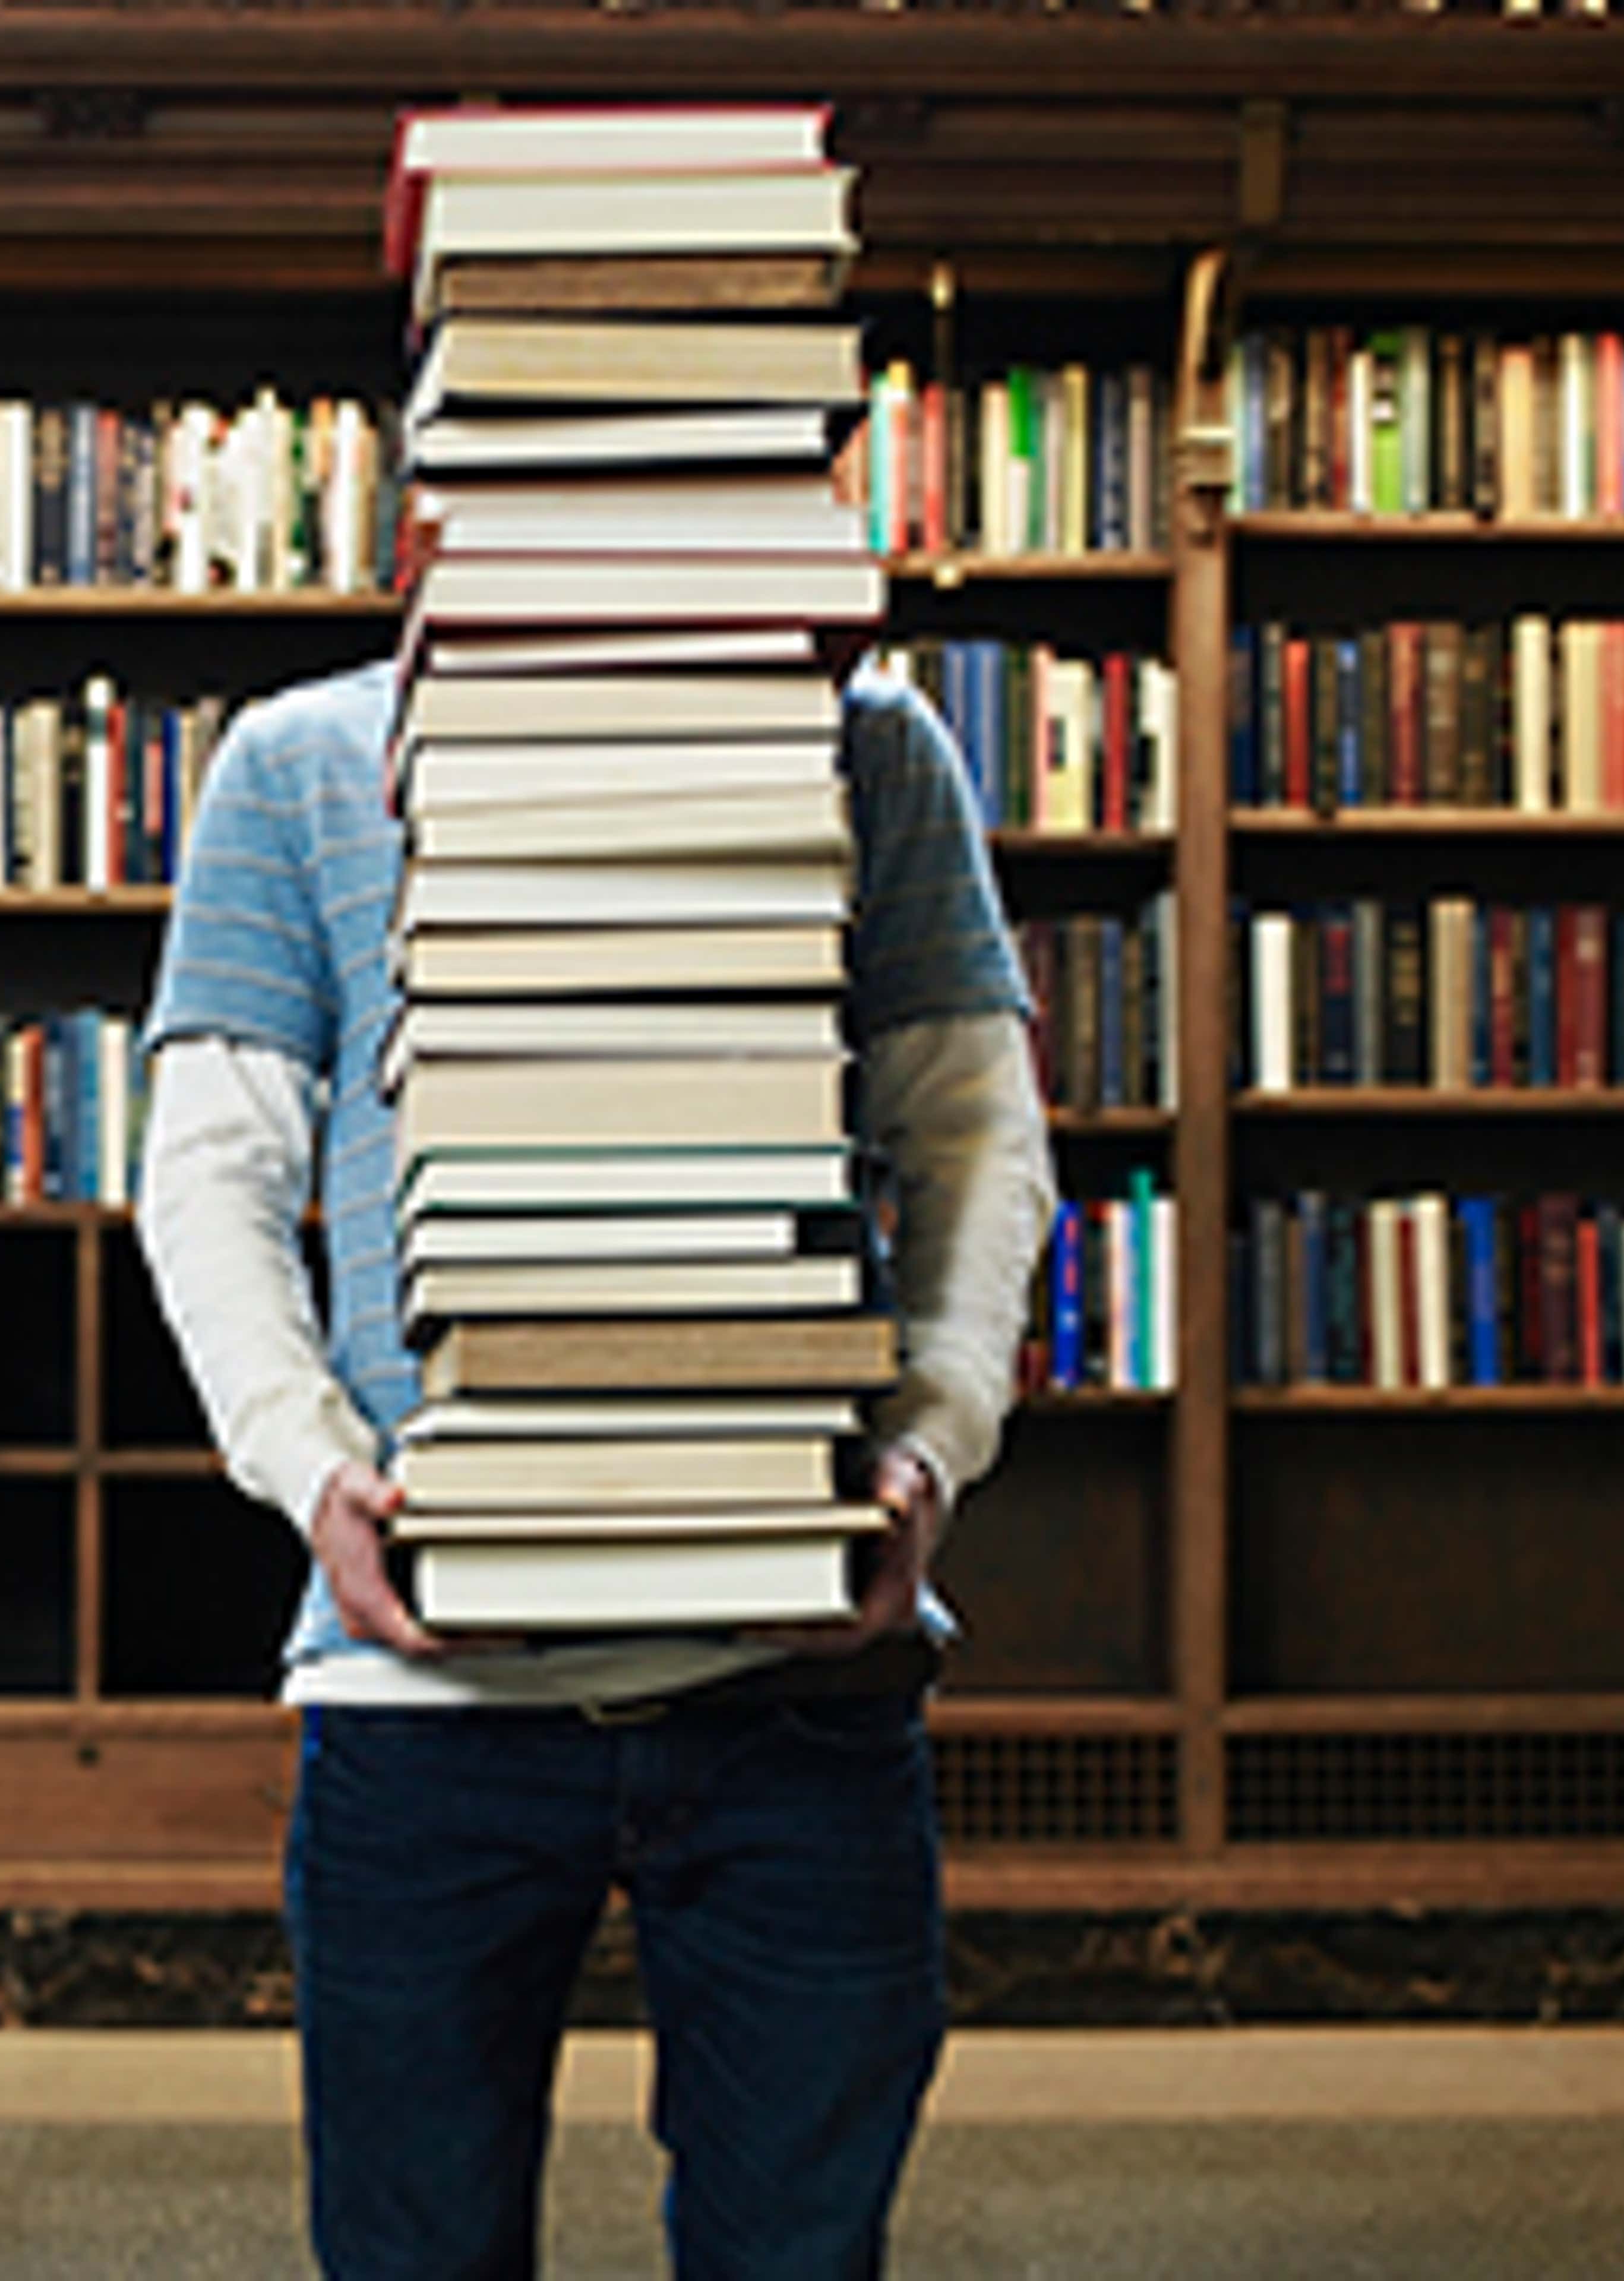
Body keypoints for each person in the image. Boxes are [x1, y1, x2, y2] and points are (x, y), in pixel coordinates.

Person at [136, 642, 1053, 2280]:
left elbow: (979, 1134)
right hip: (427, 1701)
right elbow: (210, 1171)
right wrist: (316, 1474)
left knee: (802, 2254)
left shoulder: (872, 740)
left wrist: (925, 1455)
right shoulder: (298, 759)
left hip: (801, 1691)